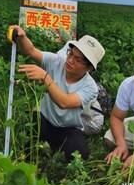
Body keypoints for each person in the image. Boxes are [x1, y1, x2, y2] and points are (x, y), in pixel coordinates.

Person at [12, 25, 105, 161]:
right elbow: (31, 51)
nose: (70, 60)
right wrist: (22, 37)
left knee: (79, 154)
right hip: (44, 119)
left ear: (89, 68)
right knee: (24, 131)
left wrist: (45, 77)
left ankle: (54, 150)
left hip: (68, 128)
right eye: (71, 54)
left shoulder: (90, 87)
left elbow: (64, 102)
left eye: (78, 60)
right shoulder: (57, 62)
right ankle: (32, 156)